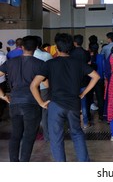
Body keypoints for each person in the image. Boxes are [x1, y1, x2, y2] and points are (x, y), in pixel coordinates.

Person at [30, 33, 100, 162]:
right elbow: (96, 76)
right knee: (77, 133)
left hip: (55, 105)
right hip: (74, 104)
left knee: (56, 137)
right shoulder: (78, 63)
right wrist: (83, 93)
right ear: (71, 47)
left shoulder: (50, 63)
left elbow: (34, 85)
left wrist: (41, 103)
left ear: (57, 48)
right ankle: (84, 162)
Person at [0, 35, 45, 162]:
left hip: (14, 102)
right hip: (32, 103)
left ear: (22, 47)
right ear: (36, 48)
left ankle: (14, 162)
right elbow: (46, 84)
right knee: (29, 136)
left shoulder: (10, 62)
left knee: (15, 135)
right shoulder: (40, 64)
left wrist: (3, 95)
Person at [70, 34, 92, 129]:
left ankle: (73, 124)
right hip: (84, 80)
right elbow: (88, 64)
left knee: (73, 103)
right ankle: (86, 122)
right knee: (83, 102)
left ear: (74, 42)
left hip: (73, 81)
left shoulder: (70, 53)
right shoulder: (86, 53)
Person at [33, 36, 53, 142]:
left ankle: (33, 134)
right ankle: (47, 136)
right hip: (44, 87)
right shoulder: (46, 55)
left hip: (31, 88)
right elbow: (51, 71)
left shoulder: (27, 56)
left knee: (33, 112)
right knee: (45, 112)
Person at [0, 41, 8, 121]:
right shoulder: (2, 55)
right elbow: (5, 68)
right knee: (2, 99)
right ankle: (1, 114)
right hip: (1, 80)